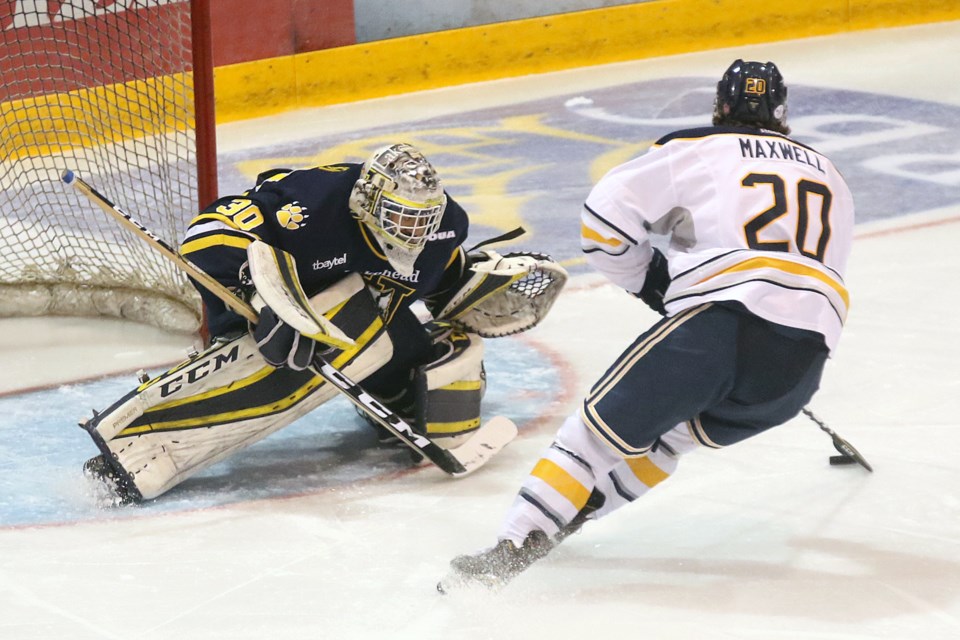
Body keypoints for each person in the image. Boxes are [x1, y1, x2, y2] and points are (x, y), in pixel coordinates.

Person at [440, 59, 855, 590]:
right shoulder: (832, 175)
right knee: (671, 440)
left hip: (720, 325)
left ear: (720, 108)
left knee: (592, 437)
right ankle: (569, 517)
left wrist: (651, 282)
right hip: (805, 357)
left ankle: (511, 548)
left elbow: (603, 221)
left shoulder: (697, 149)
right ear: (781, 113)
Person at [80, 143, 565, 503]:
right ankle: (143, 441)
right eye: (400, 217)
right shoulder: (308, 204)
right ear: (369, 202)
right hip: (266, 301)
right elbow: (208, 234)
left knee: (435, 365)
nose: (412, 232)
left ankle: (390, 398)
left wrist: (464, 284)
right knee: (269, 356)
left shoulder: (443, 226)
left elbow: (435, 276)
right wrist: (264, 300)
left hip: (350, 314)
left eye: (422, 220)